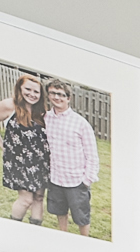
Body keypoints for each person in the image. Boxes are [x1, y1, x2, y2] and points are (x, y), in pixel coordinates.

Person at [0, 73, 48, 226]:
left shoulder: (40, 111)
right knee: (26, 200)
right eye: (28, 89)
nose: (32, 94)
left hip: (40, 162)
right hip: (19, 162)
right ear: (20, 88)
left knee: (38, 198)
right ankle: (14, 228)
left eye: (36, 91)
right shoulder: (9, 106)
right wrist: (3, 146)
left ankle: (35, 230)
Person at [42, 80, 98, 236]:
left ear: (68, 98)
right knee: (60, 211)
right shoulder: (45, 118)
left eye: (61, 94)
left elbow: (92, 155)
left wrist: (86, 180)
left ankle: (84, 241)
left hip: (76, 181)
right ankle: (63, 236)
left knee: (81, 216)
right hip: (55, 178)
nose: (56, 97)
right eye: (53, 93)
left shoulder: (81, 123)